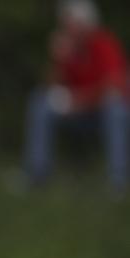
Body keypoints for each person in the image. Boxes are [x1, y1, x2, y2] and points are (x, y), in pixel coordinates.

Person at [23, 0, 128, 193]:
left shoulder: (103, 44)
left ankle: (118, 180)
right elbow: (50, 86)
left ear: (84, 24)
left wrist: (79, 102)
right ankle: (37, 174)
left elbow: (113, 86)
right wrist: (57, 59)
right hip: (79, 114)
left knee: (115, 108)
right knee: (40, 101)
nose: (64, 29)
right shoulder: (69, 51)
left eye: (68, 24)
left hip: (101, 113)